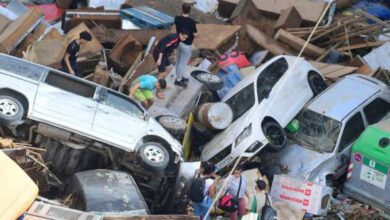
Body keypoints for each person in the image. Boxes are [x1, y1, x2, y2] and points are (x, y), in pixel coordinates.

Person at [174, 3, 198, 87]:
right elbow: (195, 34)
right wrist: (197, 35)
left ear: (182, 9)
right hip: (187, 45)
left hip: (178, 42)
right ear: (189, 11)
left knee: (179, 61)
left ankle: (179, 76)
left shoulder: (177, 18)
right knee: (183, 62)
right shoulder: (191, 21)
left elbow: (179, 17)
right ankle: (178, 80)